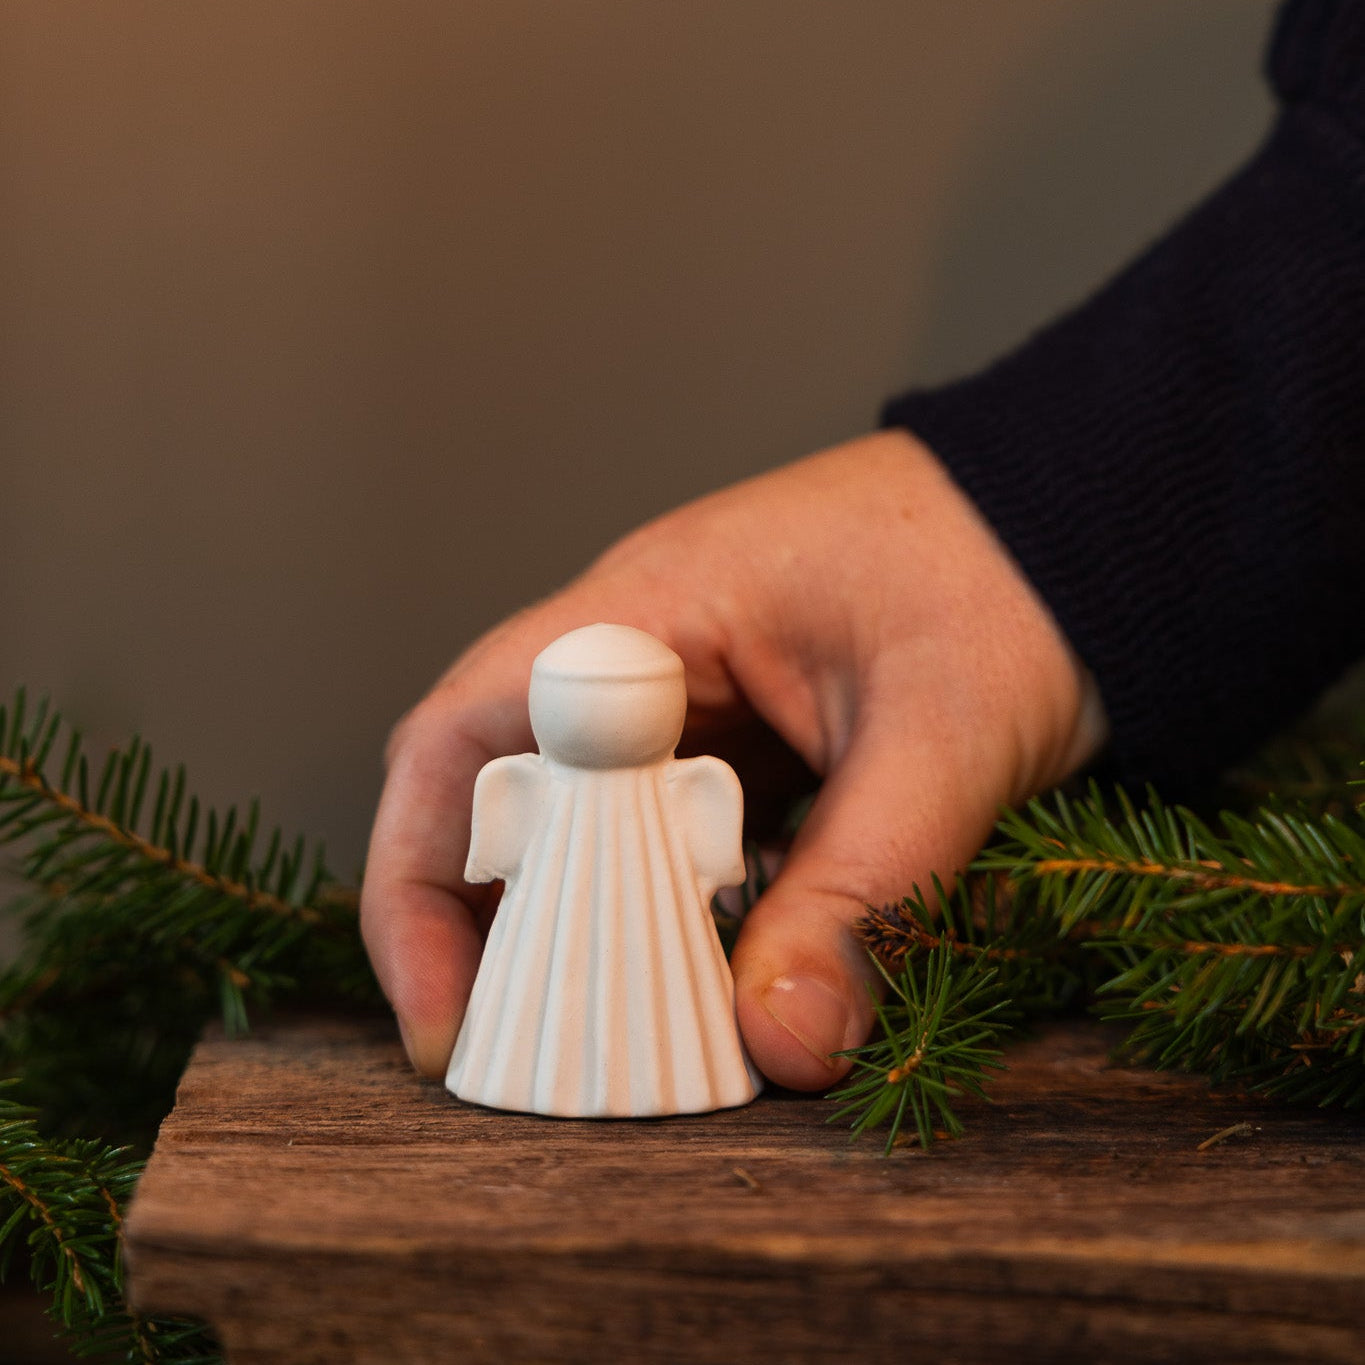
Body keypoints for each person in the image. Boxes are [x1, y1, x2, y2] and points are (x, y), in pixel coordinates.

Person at [360, 0, 1365, 1092]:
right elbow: (551, 838)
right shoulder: (565, 788)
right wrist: (1057, 513)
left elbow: (651, 842)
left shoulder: (632, 790)